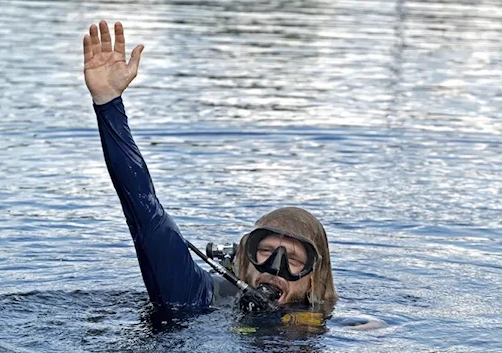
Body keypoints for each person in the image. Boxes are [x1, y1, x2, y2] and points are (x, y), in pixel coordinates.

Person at [83, 20, 338, 312]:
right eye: (264, 251)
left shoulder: (338, 324)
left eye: (293, 260)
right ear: (243, 258)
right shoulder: (200, 296)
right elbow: (145, 212)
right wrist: (108, 103)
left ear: (314, 279)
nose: (274, 268)